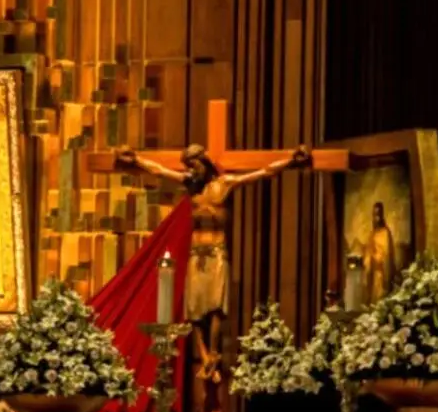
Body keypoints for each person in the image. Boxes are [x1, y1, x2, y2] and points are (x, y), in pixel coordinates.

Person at [115, 143, 312, 382]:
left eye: (194, 164)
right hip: (197, 253)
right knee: (196, 307)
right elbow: (158, 171)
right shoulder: (190, 185)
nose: (191, 170)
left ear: (205, 162)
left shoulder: (225, 184)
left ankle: (214, 352)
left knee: (216, 304)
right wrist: (135, 158)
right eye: (188, 166)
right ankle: (204, 354)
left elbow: (264, 172)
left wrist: (292, 160)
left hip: (218, 252)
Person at [363, 201, 396, 303]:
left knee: (380, 298)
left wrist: (376, 258)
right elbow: (368, 252)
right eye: (374, 215)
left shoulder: (385, 233)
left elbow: (386, 254)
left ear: (381, 215)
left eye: (377, 215)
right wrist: (368, 260)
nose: (375, 218)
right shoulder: (372, 233)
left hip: (381, 274)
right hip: (372, 273)